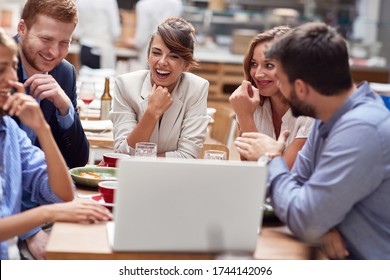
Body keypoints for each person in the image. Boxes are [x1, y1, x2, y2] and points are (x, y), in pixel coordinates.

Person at [235, 22, 390, 259]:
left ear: (300, 87)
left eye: (281, 80)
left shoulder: (362, 129)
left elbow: (302, 214)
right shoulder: (324, 118)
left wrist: (270, 159)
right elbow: (292, 195)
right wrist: (319, 226)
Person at [0, 30, 112, 260]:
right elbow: (56, 206)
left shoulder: (9, 130)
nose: (12, 79)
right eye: (2, 69)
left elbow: (62, 194)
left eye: (13, 66)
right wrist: (47, 214)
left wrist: (42, 127)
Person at [14, 0, 90, 259]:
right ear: (22, 28)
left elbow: (77, 161)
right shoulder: (4, 69)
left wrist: (64, 107)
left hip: (42, 200)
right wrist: (30, 230)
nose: (54, 53)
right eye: (46, 39)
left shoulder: (64, 73)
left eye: (64, 43)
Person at [111, 17, 209, 158]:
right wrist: (151, 114)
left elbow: (187, 156)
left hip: (174, 177)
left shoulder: (197, 89)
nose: (162, 62)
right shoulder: (125, 85)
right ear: (147, 56)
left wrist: (143, 158)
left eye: (174, 56)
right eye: (156, 53)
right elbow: (122, 154)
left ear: (186, 65)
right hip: (134, 176)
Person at [229, 26, 313, 169]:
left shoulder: (310, 112)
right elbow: (249, 169)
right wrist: (245, 116)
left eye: (269, 65)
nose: (258, 74)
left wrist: (245, 117)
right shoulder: (251, 105)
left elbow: (282, 175)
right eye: (254, 64)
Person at [121, 0, 183, 69]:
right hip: (170, 48)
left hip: (149, 50)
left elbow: (141, 40)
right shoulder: (177, 3)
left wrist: (130, 42)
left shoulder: (144, 4)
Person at [74, 0, 121, 69]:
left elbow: (76, 31)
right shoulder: (109, 1)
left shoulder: (80, 2)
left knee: (86, 78)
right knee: (105, 78)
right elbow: (115, 32)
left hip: (85, 48)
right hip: (103, 49)